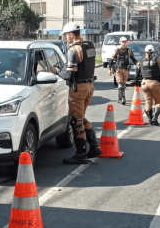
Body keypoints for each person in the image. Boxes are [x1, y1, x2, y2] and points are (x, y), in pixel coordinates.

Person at [57, 22, 101, 163]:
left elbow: (69, 74)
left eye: (66, 36)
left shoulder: (73, 50)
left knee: (76, 120)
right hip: (90, 86)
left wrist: (56, 71)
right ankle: (94, 147)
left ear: (71, 35)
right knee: (81, 117)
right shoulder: (89, 46)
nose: (65, 39)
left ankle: (80, 155)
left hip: (78, 88)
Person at [136, 44, 160, 126]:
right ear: (153, 52)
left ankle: (150, 119)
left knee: (148, 102)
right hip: (155, 83)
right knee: (158, 102)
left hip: (144, 83)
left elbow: (137, 73)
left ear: (145, 52)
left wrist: (136, 84)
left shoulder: (141, 61)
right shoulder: (157, 60)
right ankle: (155, 118)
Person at [107, 39, 137, 105]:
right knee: (120, 85)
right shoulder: (117, 51)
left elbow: (133, 58)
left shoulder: (129, 51)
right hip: (118, 70)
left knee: (123, 85)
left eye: (125, 42)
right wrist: (110, 69)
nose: (124, 43)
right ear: (120, 42)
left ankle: (120, 98)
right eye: (122, 42)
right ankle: (123, 98)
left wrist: (137, 64)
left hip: (125, 70)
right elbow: (111, 60)